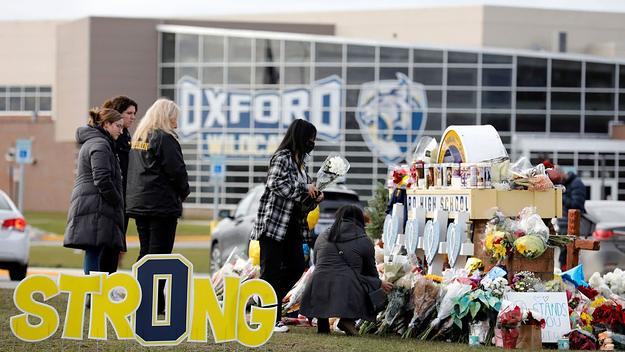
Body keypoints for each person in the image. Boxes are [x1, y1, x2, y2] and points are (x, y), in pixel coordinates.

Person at [250, 118, 322, 333]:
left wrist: (314, 197)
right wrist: (304, 188)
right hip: (273, 225)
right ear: (301, 137)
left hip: (292, 227)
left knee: (297, 267)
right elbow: (276, 185)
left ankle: (265, 303)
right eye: (311, 138)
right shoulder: (282, 158)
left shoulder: (302, 164)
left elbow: (302, 201)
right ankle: (269, 318)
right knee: (270, 271)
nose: (312, 142)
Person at [125, 98, 190, 315]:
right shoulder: (164, 138)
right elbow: (176, 171)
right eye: (174, 118)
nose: (176, 123)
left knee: (146, 252)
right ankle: (154, 303)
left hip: (140, 203)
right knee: (160, 255)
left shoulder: (139, 137)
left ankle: (142, 299)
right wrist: (184, 192)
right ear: (166, 116)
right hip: (160, 205)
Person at [300, 205, 393, 335]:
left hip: (316, 286)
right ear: (360, 220)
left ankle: (322, 321)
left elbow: (317, 262)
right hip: (347, 287)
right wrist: (379, 283)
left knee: (325, 275)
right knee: (365, 282)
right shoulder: (363, 240)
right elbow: (370, 272)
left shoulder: (322, 235)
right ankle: (347, 319)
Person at [63, 108, 126, 276]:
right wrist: (117, 200)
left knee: (95, 251)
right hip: (96, 206)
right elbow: (102, 179)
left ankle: (93, 296)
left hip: (95, 204)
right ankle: (91, 296)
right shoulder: (100, 144)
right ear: (106, 124)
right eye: (118, 126)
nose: (121, 130)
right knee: (94, 251)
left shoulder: (98, 142)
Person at [102, 96, 137, 232]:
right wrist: (116, 198)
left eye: (134, 113)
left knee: (119, 243)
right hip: (114, 198)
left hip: (123, 197)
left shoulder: (126, 135)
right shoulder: (110, 139)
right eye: (129, 113)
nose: (132, 117)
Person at [546, 166, 586, 267]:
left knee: (568, 254)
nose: (557, 182)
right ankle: (564, 274)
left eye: (557, 179)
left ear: (562, 174)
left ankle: (567, 275)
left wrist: (560, 196)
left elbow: (577, 205)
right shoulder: (564, 183)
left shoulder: (576, 184)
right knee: (563, 254)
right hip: (562, 224)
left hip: (572, 223)